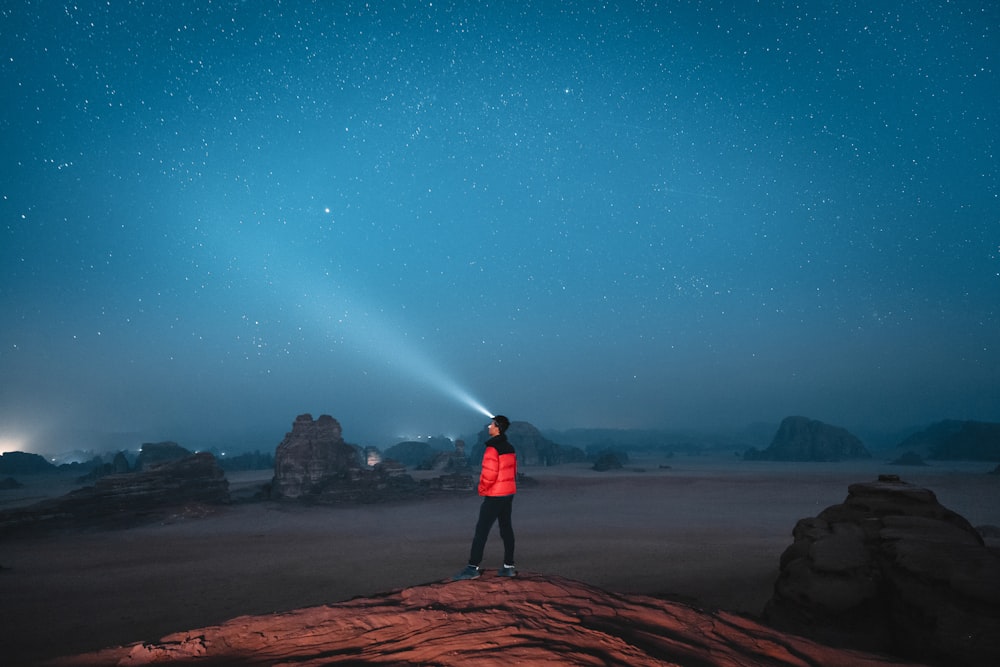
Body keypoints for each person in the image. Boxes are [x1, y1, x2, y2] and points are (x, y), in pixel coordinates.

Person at [452, 414, 517, 580]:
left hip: (495, 494)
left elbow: (489, 474)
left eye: (491, 425)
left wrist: (482, 489)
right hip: (508, 493)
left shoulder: (492, 449)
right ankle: (508, 567)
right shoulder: (509, 447)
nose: (488, 427)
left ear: (497, 428)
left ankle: (472, 568)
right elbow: (512, 471)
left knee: (481, 531)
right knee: (506, 529)